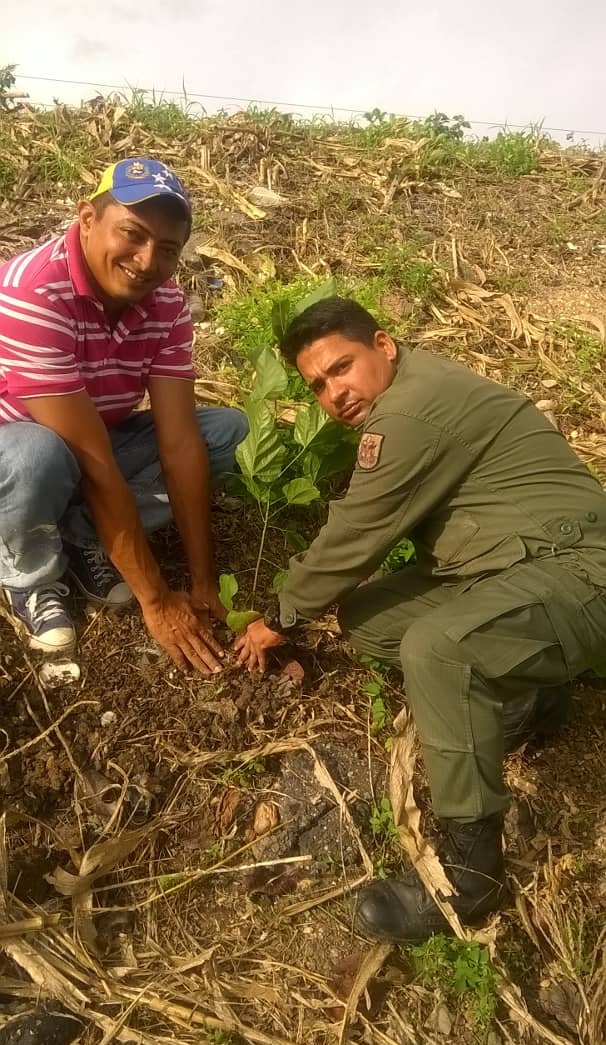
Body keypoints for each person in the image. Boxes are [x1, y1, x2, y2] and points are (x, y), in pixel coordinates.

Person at [235, 297, 606, 941]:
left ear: (384, 345)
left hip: (580, 573)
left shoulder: (411, 410)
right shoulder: (414, 391)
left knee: (439, 648)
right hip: (515, 567)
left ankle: (471, 873)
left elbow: (355, 534)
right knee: (374, 620)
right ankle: (537, 697)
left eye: (341, 368)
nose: (334, 393)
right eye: (319, 386)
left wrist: (281, 616)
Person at [0, 158, 247, 672]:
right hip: (21, 452)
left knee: (226, 433)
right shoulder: (34, 292)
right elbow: (92, 461)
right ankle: (30, 576)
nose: (146, 260)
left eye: (168, 249)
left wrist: (202, 582)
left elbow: (178, 442)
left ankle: (82, 534)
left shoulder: (168, 304)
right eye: (132, 234)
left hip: (93, 439)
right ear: (87, 218)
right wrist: (156, 601)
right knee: (36, 454)